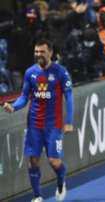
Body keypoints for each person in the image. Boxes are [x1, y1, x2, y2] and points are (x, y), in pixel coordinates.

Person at [2, 39, 74, 202]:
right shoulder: (30, 73)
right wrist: (14, 107)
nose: (38, 55)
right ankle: (37, 196)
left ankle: (61, 182)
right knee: (33, 161)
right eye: (36, 52)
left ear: (50, 52)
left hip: (53, 125)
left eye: (41, 52)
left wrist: (68, 122)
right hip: (34, 125)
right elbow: (24, 96)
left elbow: (69, 97)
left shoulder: (61, 72)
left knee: (54, 161)